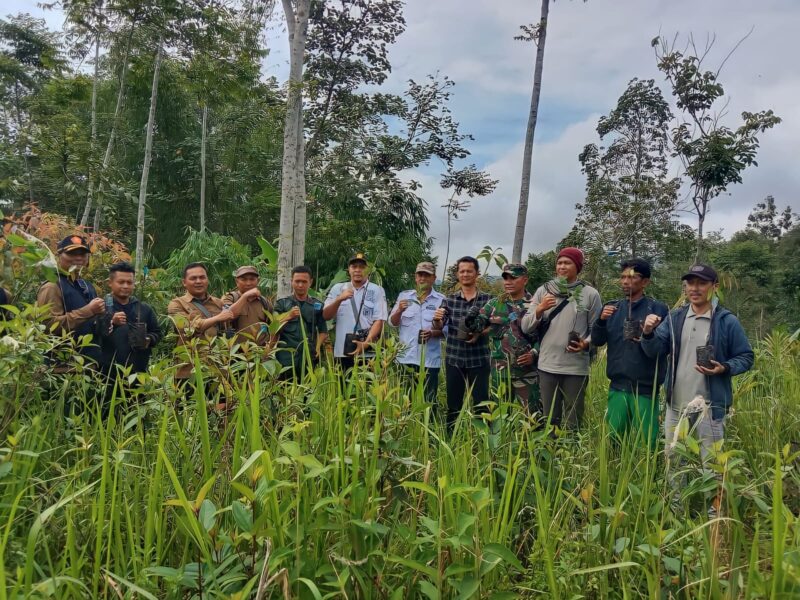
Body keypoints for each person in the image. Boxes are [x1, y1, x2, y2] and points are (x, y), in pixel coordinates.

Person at [641, 263, 753, 515]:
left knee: (710, 465)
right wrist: (647, 333)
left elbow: (746, 357)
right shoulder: (675, 317)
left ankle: (713, 519)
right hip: (675, 405)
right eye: (690, 283)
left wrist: (723, 367)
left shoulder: (726, 321)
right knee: (673, 462)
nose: (695, 288)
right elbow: (654, 351)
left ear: (714, 287)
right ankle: (678, 513)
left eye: (701, 283)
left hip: (710, 407)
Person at [591, 258, 669, 448]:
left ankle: (649, 476)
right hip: (617, 385)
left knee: (646, 443)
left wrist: (648, 332)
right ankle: (614, 475)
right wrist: (601, 321)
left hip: (646, 389)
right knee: (614, 439)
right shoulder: (612, 307)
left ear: (645, 282)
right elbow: (597, 340)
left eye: (631, 277)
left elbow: (662, 349)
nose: (625, 281)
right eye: (623, 277)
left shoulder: (658, 309)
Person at [521, 247, 602, 430]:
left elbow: (596, 329)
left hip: (576, 368)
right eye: (559, 263)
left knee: (573, 418)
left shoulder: (590, 294)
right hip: (547, 365)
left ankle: (571, 454)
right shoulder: (544, 291)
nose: (562, 266)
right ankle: (550, 454)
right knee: (550, 417)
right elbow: (526, 325)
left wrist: (585, 344)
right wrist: (540, 309)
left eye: (567, 263)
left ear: (577, 267)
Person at [167, 262, 257, 391]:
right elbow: (187, 329)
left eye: (202, 277)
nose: (198, 281)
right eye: (193, 278)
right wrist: (218, 318)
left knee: (220, 409)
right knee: (189, 409)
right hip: (188, 371)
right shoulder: (176, 304)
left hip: (218, 371)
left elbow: (231, 317)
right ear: (184, 282)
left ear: (207, 280)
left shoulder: (218, 303)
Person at [432, 256, 492, 430]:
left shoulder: (488, 300)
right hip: (454, 358)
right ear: (457, 274)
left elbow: (495, 325)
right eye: (462, 271)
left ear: (477, 274)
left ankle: (483, 440)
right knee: (454, 404)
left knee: (481, 403)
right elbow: (439, 325)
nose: (465, 274)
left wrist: (479, 332)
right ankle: (451, 438)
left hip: (479, 359)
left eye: (469, 271)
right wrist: (436, 320)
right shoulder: (449, 300)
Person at [36, 235, 106, 370]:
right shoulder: (52, 286)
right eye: (71, 253)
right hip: (62, 369)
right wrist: (88, 311)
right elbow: (48, 326)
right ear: (59, 256)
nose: (78, 257)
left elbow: (91, 323)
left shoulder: (86, 285)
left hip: (89, 365)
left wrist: (106, 320)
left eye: (83, 254)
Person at [479, 263, 540, 415]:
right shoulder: (494, 304)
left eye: (513, 277)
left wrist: (534, 353)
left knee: (532, 419)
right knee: (498, 418)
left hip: (527, 374)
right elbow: (477, 324)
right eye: (505, 278)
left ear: (525, 280)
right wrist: (470, 320)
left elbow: (546, 336)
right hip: (499, 372)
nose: (508, 281)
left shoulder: (535, 305)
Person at [389, 261, 447, 403]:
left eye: (427, 275)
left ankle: (428, 425)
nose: (422, 278)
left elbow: (446, 331)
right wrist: (399, 311)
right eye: (420, 275)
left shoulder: (441, 300)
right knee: (405, 403)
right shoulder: (404, 296)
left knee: (429, 401)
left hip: (429, 360)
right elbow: (392, 322)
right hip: (405, 358)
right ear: (415, 277)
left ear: (433, 278)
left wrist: (432, 333)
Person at [323, 253, 388, 372]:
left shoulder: (377, 290)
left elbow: (379, 320)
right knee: (341, 389)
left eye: (362, 267)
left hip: (367, 352)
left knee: (366, 388)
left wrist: (366, 343)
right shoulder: (338, 288)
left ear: (368, 270)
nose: (358, 270)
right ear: (349, 270)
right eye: (354, 267)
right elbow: (326, 316)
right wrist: (339, 299)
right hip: (342, 351)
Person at [98, 262, 162, 376]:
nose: (126, 286)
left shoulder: (144, 309)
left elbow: (157, 332)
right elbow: (94, 333)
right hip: (108, 374)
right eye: (121, 282)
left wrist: (147, 340)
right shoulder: (101, 307)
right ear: (110, 283)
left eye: (129, 282)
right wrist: (111, 321)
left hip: (139, 372)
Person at [272, 266, 329, 379]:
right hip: (286, 356)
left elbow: (323, 331)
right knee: (285, 389)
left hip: (309, 356)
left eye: (304, 282)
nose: (300, 285)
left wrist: (317, 347)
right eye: (297, 281)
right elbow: (273, 327)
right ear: (291, 281)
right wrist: (288, 316)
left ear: (310, 282)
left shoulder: (317, 305)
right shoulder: (282, 304)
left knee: (307, 390)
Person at [221, 266, 273, 346]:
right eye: (244, 279)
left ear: (258, 281)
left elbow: (272, 327)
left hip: (259, 352)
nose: (248, 283)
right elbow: (228, 315)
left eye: (252, 279)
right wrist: (245, 296)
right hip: (235, 354)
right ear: (236, 281)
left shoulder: (265, 303)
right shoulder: (230, 298)